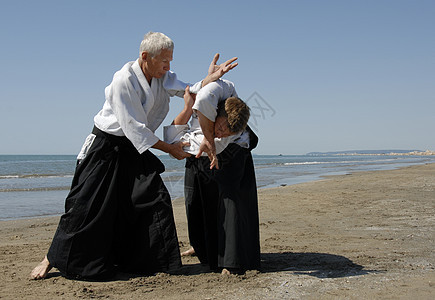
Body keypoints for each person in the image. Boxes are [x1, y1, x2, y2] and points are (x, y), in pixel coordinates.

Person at [30, 31, 238, 280]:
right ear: (145, 57)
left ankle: (150, 262)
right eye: (164, 61)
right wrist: (170, 148)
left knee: (154, 198)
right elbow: (135, 128)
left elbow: (187, 90)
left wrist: (207, 80)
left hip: (132, 149)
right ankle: (51, 258)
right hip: (106, 147)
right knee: (84, 205)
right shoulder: (123, 81)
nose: (168, 67)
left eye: (170, 61)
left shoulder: (162, 77)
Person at [181, 78, 261, 275]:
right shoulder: (219, 91)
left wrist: (212, 144)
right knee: (197, 199)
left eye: (224, 131)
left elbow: (218, 140)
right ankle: (200, 247)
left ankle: (231, 261)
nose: (220, 132)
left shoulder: (232, 134)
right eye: (221, 127)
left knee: (229, 199)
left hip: (234, 157)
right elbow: (198, 92)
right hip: (201, 150)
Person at [163, 84, 250, 158]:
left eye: (225, 135)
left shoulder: (217, 143)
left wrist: (187, 109)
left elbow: (172, 141)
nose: (219, 135)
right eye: (220, 129)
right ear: (216, 112)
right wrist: (209, 78)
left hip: (224, 158)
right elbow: (207, 92)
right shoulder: (225, 92)